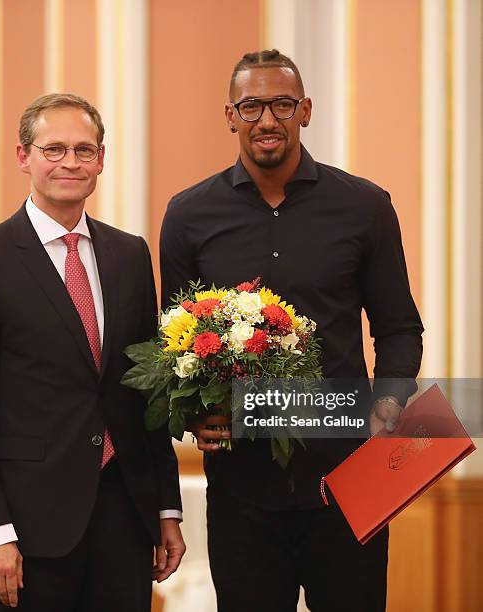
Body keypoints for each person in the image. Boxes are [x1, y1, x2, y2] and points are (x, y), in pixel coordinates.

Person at [159, 50, 423, 612]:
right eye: (251, 106)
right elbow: (171, 348)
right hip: (241, 492)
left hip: (350, 481)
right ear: (230, 115)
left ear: (306, 110)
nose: (267, 120)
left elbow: (400, 328)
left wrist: (392, 401)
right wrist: (194, 416)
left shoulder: (366, 206)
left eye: (282, 104)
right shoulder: (188, 215)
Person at [0, 93, 185, 611]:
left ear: (101, 159)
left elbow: (148, 393)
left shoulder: (129, 255)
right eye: (53, 149)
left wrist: (167, 509)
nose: (70, 162)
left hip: (125, 517)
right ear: (23, 156)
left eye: (84, 150)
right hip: (26, 533)